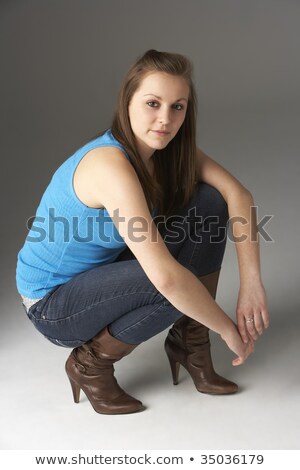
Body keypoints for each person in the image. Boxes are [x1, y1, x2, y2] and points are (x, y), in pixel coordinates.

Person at [16, 49, 269, 415]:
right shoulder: (109, 164)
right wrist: (227, 328)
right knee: (169, 285)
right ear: (128, 102)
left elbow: (238, 195)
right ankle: (90, 363)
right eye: (153, 103)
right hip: (53, 302)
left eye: (177, 106)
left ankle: (189, 342)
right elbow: (166, 279)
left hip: (104, 272)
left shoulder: (164, 148)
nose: (164, 119)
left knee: (209, 201)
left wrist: (252, 284)